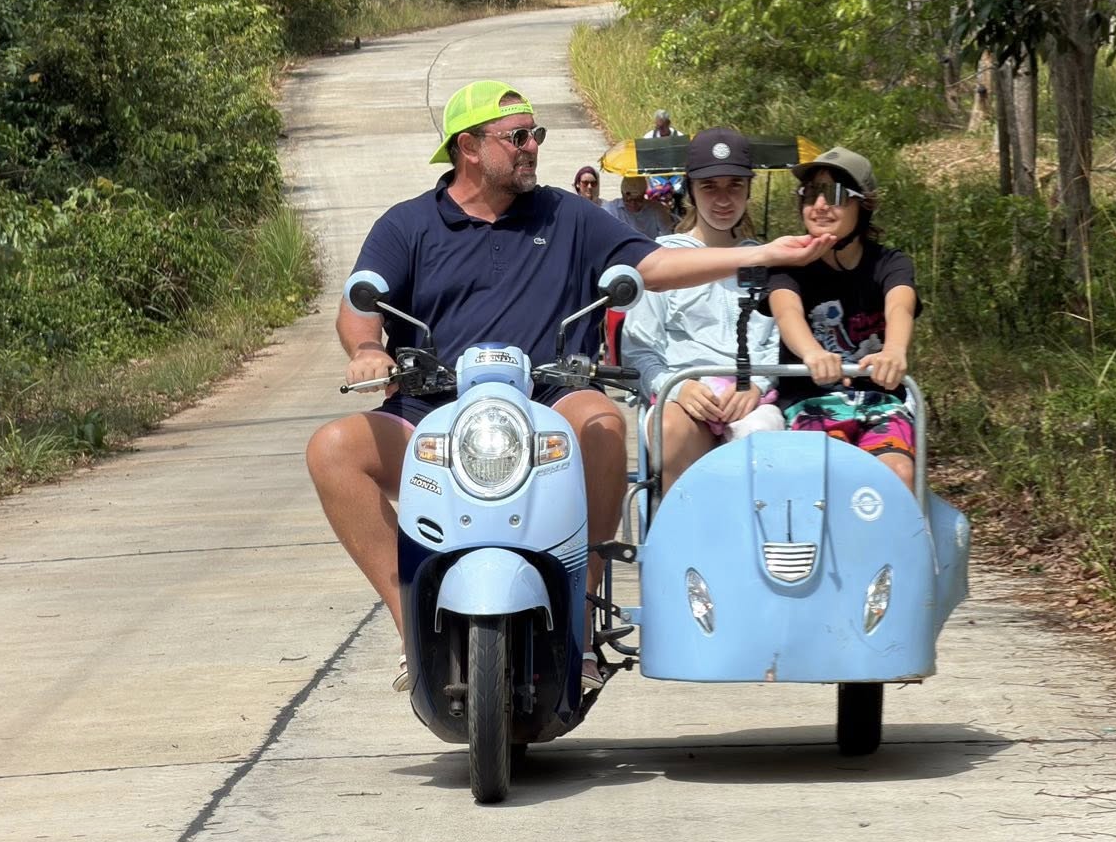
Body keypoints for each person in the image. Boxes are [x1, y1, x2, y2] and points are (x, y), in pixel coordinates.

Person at [306, 82, 826, 685]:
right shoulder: (408, 224)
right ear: (469, 148)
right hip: (432, 412)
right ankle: (413, 632)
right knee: (332, 451)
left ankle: (578, 625)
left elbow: (653, 267)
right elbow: (358, 302)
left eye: (537, 135)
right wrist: (367, 347)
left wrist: (759, 256)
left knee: (603, 424)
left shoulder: (568, 215)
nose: (533, 148)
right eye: (518, 137)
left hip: (548, 401)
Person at [621, 128, 784, 489]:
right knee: (672, 430)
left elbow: (777, 340)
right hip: (683, 396)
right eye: (710, 186)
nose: (723, 199)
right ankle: (681, 535)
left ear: (748, 191)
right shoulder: (662, 259)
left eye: (735, 186)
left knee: (768, 441)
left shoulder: (767, 262)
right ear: (690, 190)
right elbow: (639, 349)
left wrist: (755, 384)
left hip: (750, 401)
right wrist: (677, 388)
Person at [763, 146, 919, 488]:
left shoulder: (889, 263)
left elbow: (900, 305)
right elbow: (787, 311)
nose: (819, 206)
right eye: (811, 194)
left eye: (833, 194)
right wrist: (812, 353)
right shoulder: (789, 264)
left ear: (862, 205)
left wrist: (894, 351)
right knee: (824, 477)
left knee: (898, 475)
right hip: (811, 400)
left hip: (880, 401)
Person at [612, 173, 673, 240]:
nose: (633, 204)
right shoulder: (612, 209)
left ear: (644, 195)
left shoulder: (657, 209)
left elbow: (668, 235)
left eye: (638, 200)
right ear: (622, 195)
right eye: (628, 201)